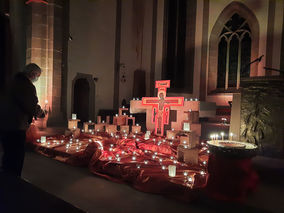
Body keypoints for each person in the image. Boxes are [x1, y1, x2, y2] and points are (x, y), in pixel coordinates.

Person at [0, 63, 45, 177]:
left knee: (8, 154)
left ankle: (6, 178)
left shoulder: (12, 82)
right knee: (16, 155)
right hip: (16, 124)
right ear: (33, 74)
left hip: (5, 123)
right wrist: (40, 113)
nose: (37, 78)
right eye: (37, 75)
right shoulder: (26, 86)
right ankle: (14, 182)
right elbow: (30, 105)